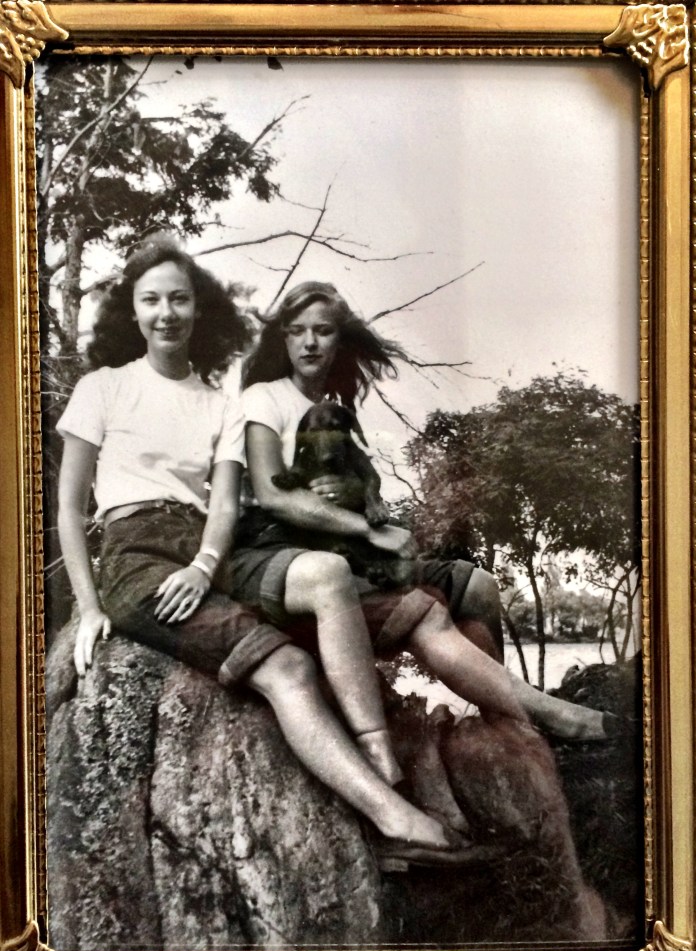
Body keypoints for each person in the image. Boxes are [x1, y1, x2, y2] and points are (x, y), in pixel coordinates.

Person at [56, 238, 482, 871]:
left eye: (179, 299)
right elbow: (69, 509)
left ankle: (381, 755)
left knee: (326, 574)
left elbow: (226, 506)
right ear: (133, 310)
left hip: (211, 550)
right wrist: (90, 606)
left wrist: (204, 565)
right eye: (151, 300)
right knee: (288, 668)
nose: (166, 313)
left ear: (199, 308)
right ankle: (395, 822)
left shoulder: (220, 403)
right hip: (136, 551)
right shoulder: (104, 388)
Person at [236, 280, 618, 748]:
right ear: (283, 338)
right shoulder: (264, 398)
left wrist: (360, 503)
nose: (310, 342)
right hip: (301, 558)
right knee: (426, 611)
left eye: (324, 330)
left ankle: (505, 723)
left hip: (352, 549)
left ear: (341, 340)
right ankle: (559, 720)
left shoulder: (331, 408)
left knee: (478, 586)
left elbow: (358, 480)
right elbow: (274, 496)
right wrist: (369, 531)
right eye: (297, 331)